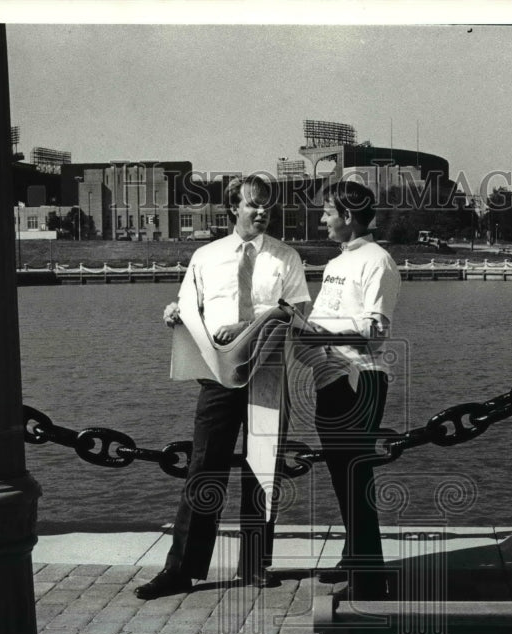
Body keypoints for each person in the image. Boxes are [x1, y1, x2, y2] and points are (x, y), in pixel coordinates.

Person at [135, 175, 311, 599]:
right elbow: (187, 306)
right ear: (233, 207)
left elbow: (299, 313)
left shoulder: (286, 258)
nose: (261, 211)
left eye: (266, 204)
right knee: (204, 468)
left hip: (268, 371)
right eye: (252, 204)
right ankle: (180, 570)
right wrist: (173, 313)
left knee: (263, 467)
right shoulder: (205, 256)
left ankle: (254, 566)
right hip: (218, 373)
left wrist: (251, 324)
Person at [305, 180, 401, 598]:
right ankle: (356, 556)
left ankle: (369, 579)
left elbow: (374, 333)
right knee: (342, 477)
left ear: (347, 216)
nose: (322, 219)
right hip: (329, 378)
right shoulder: (335, 264)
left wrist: (314, 330)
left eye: (328, 212)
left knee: (355, 476)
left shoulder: (377, 262)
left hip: (361, 379)